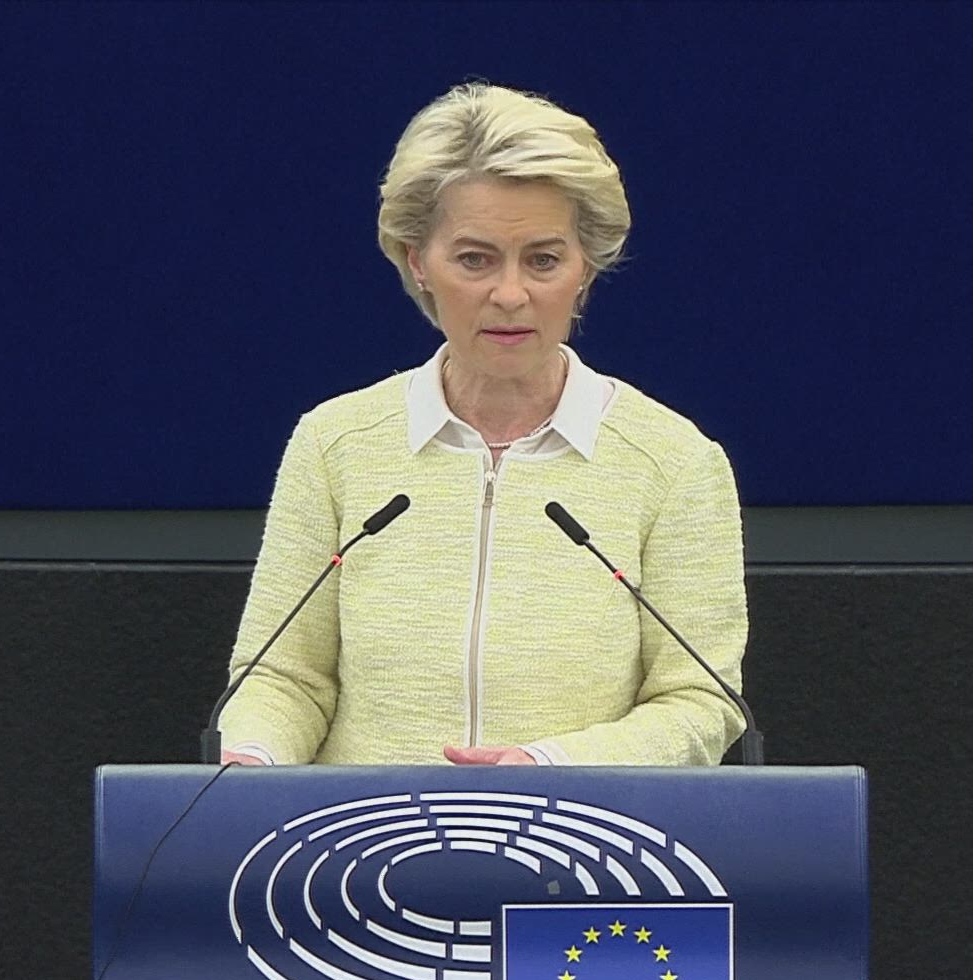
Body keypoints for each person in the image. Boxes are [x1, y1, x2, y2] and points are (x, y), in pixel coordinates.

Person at [216, 82, 747, 767]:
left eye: (544, 260)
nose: (510, 294)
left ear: (585, 268)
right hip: (366, 832)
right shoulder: (335, 445)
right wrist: (254, 762)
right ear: (418, 261)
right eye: (475, 259)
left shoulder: (674, 463)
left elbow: (700, 702)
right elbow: (284, 676)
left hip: (574, 828)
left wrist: (549, 768)